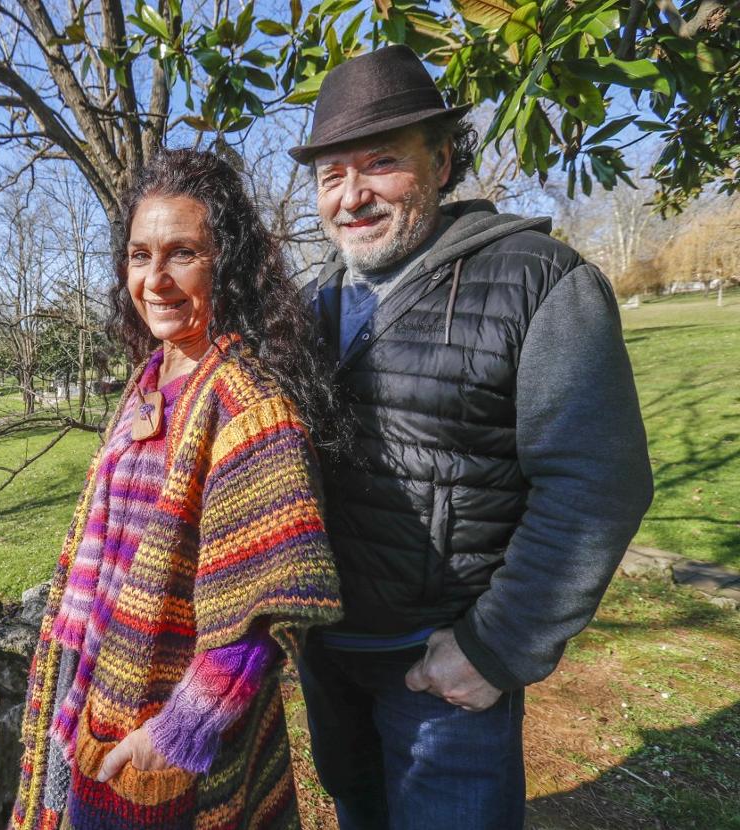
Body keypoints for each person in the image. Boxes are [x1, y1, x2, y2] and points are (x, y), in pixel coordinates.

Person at [288, 45, 654, 829]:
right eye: (330, 174)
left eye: (379, 163)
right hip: (332, 661)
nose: (351, 196)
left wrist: (497, 649)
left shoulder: (541, 281)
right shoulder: (308, 306)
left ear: (443, 159)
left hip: (440, 672)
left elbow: (597, 483)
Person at [10, 149, 346, 829]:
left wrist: (177, 734)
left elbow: (265, 612)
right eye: (139, 256)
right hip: (91, 692)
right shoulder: (151, 378)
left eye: (182, 253)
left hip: (162, 734)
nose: (155, 280)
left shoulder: (247, 406)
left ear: (227, 263)